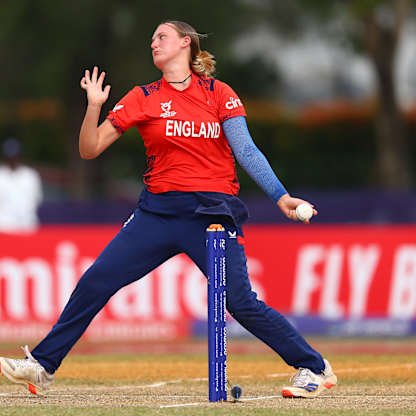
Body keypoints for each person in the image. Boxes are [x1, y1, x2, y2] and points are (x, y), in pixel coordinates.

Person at [0, 20, 337, 398]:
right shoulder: (142, 96)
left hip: (211, 214)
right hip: (157, 214)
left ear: (185, 43)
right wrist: (93, 107)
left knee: (241, 303)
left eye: (161, 37)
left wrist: (280, 196)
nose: (153, 43)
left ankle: (314, 367)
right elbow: (89, 149)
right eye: (152, 39)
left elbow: (245, 150)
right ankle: (43, 366)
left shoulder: (219, 93)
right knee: (96, 280)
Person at [0, 137, 43, 233]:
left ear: (19, 155)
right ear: (5, 156)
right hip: (3, 227)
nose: (12, 159)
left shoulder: (30, 175)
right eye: (9, 156)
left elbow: (37, 200)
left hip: (27, 226)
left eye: (14, 155)